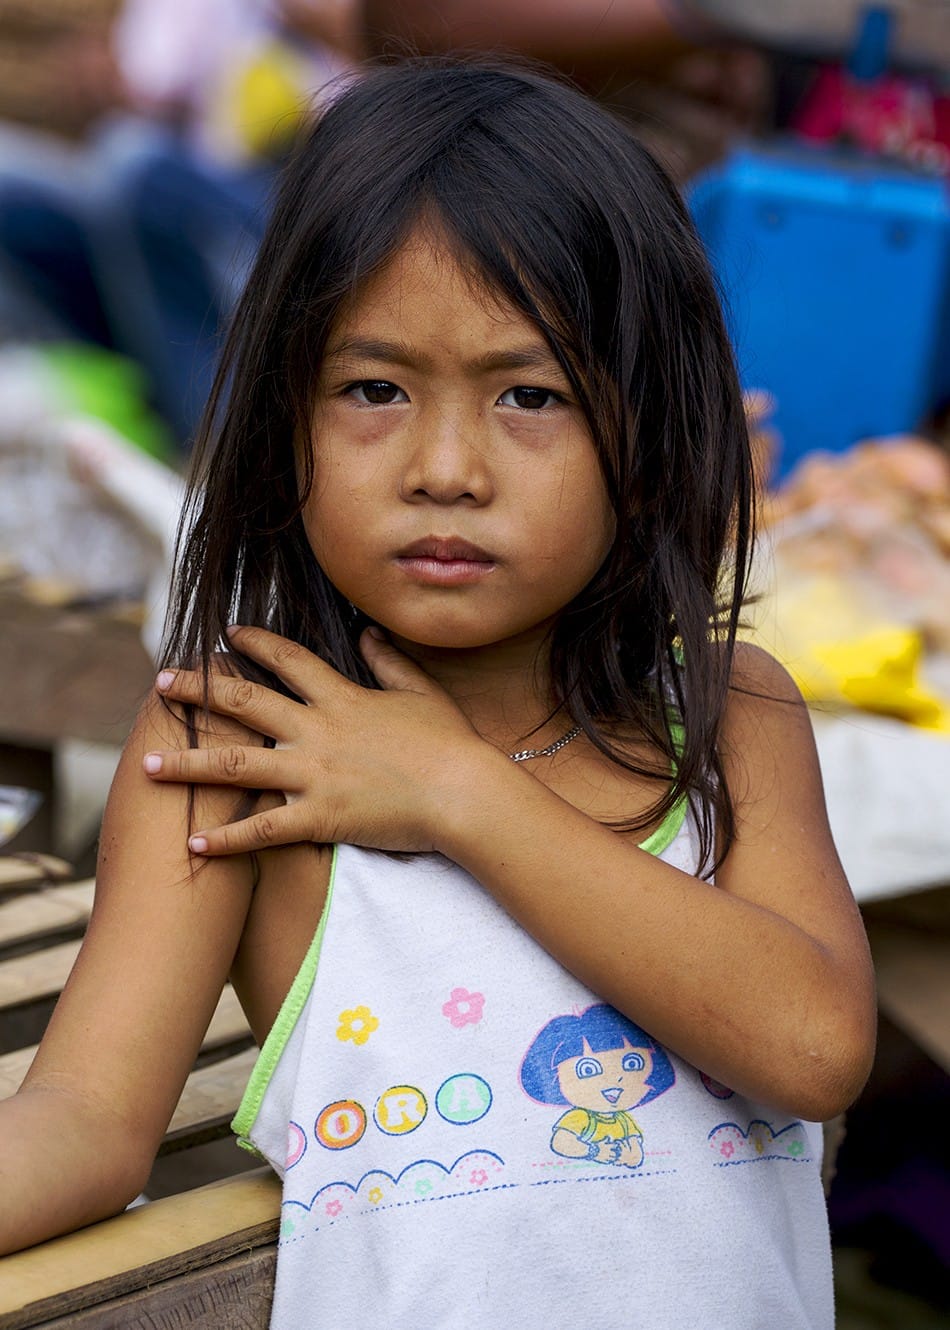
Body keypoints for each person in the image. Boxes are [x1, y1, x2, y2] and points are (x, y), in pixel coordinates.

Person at [0, 57, 875, 1328]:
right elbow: (84, 1120)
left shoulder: (729, 720)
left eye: (530, 396)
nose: (445, 467)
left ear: (650, 433)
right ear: (279, 416)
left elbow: (810, 1049)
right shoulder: (239, 740)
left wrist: (458, 794)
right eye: (373, 390)